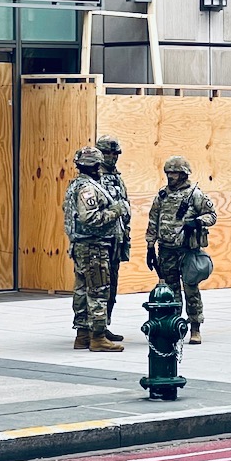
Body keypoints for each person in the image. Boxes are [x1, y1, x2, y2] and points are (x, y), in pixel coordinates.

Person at [146, 155, 217, 344]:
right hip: (167, 250)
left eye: (175, 173)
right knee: (170, 291)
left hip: (187, 251)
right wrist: (150, 246)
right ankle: (174, 327)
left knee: (191, 290)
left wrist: (197, 222)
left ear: (184, 174)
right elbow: (153, 220)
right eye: (168, 173)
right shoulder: (162, 195)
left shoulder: (195, 194)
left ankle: (195, 327)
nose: (171, 176)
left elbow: (212, 215)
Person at [62, 146, 126, 352]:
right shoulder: (87, 188)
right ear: (95, 166)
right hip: (93, 246)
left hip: (81, 246)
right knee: (98, 290)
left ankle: (82, 335)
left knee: (82, 289)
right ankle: (98, 337)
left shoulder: (75, 185)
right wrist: (115, 211)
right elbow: (89, 218)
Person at [96, 135, 132, 330]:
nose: (112, 157)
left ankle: (105, 324)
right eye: (107, 153)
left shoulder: (117, 178)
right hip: (100, 240)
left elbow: (125, 207)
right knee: (97, 285)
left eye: (115, 153)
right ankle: (92, 328)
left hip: (117, 240)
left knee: (112, 284)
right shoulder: (94, 178)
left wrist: (125, 233)